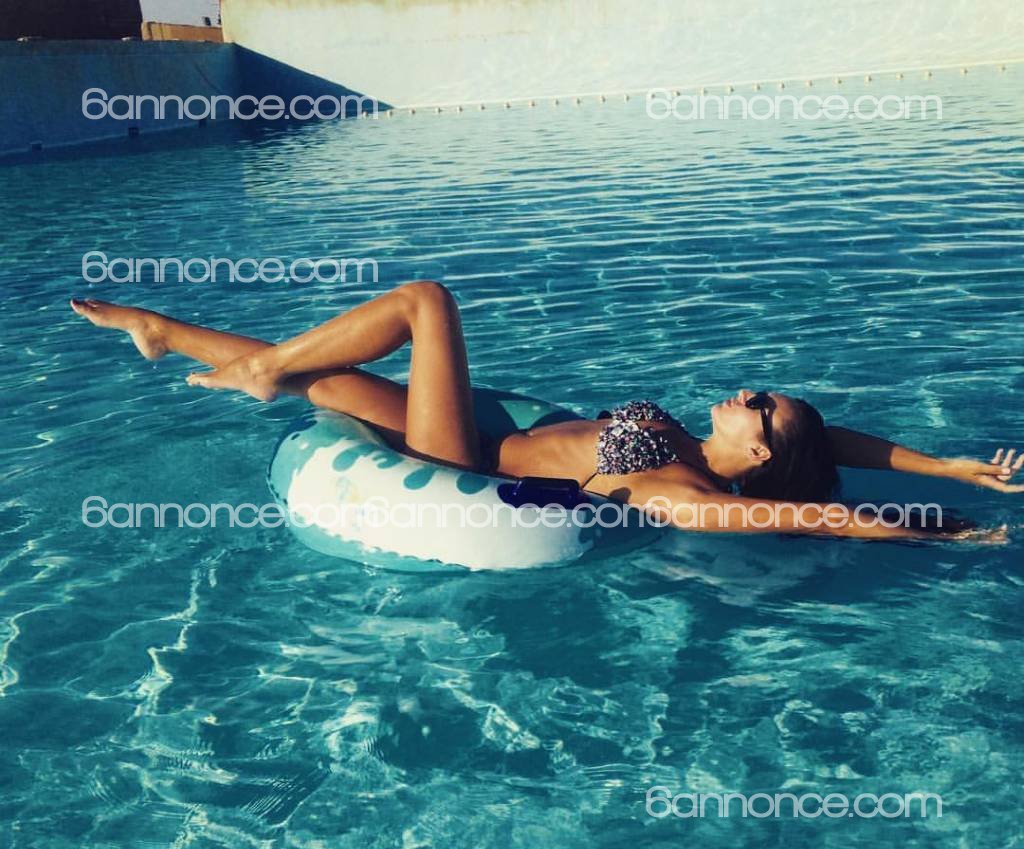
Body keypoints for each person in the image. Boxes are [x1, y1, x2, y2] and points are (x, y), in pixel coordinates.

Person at [71, 284, 1021, 541]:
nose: (747, 392)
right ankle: (161, 331)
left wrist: (944, 533)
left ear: (763, 451)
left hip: (470, 462)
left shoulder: (683, 493)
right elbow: (832, 443)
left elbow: (819, 513)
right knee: (320, 382)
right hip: (500, 427)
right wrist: (947, 468)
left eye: (759, 406)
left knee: (424, 303)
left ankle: (255, 365)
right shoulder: (704, 443)